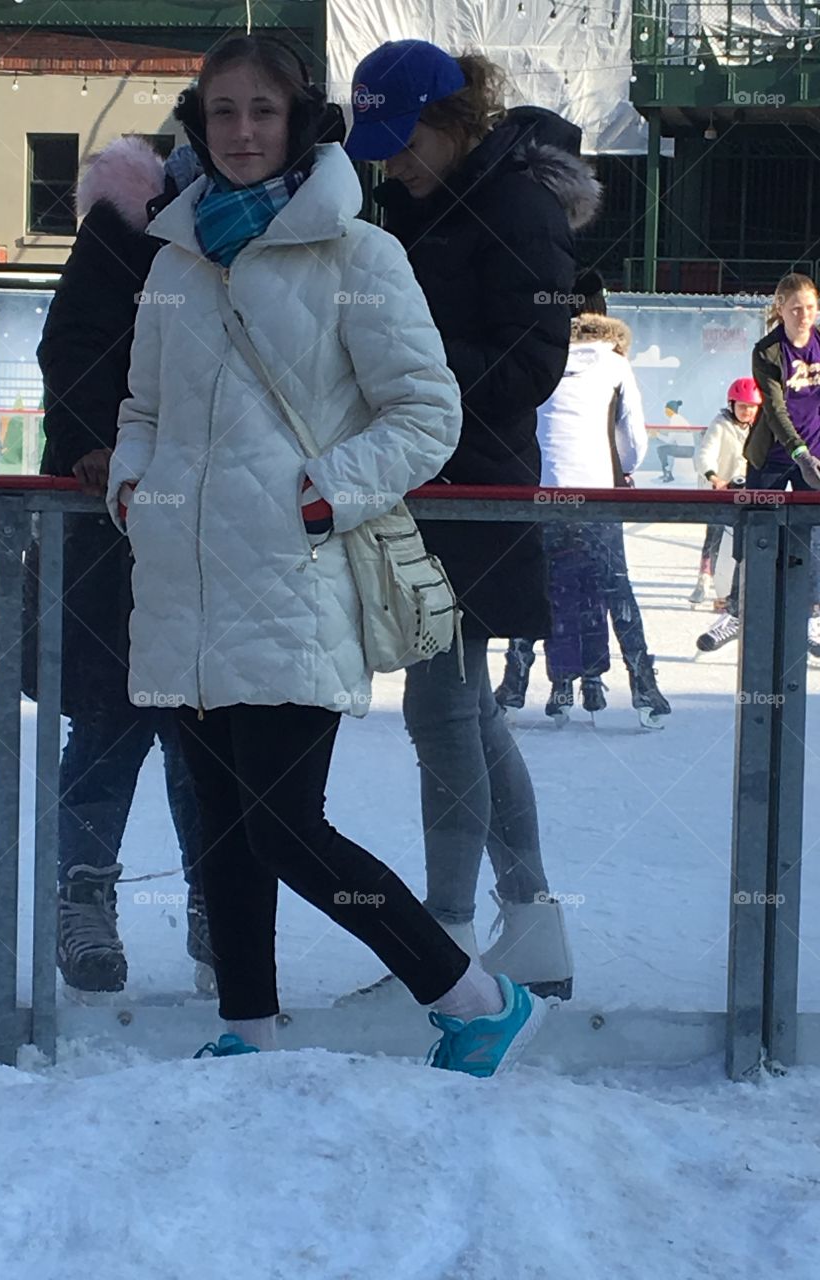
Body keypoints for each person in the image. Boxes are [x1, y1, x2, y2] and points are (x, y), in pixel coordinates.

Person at [108, 34, 547, 1074]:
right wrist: (134, 483)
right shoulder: (177, 259)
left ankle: (478, 995)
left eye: (263, 110)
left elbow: (425, 412)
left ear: (300, 120)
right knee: (223, 818)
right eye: (223, 112)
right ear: (199, 123)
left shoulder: (359, 255)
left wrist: (326, 493)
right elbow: (142, 405)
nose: (243, 130)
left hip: (296, 579)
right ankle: (250, 1027)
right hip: (186, 582)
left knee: (284, 826)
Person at [342, 41, 602, 997]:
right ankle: (530, 925)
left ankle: (444, 949)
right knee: (465, 707)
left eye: (401, 137)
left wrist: (405, 367)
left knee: (443, 705)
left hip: (475, 490)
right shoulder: (421, 204)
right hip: (424, 486)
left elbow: (533, 364)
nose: (388, 160)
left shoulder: (518, 205)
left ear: (453, 118)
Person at [32, 134, 214, 996]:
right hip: (114, 528)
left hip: (221, 530)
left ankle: (219, 897)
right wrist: (92, 448)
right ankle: (83, 899)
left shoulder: (262, 236)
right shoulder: (118, 233)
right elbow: (71, 352)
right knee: (110, 720)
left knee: (207, 728)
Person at [494, 273, 670, 727]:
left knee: (535, 584)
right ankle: (644, 687)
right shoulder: (614, 365)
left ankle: (514, 684)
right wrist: (621, 467)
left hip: (542, 493)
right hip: (595, 496)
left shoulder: (538, 358)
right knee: (615, 588)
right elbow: (633, 443)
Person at [697, 272, 820, 653]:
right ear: (780, 308)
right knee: (754, 529)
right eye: (796, 308)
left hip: (815, 455)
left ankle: (812, 616)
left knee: (812, 537)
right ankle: (736, 609)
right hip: (773, 455)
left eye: (811, 308)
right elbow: (777, 409)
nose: (804, 315)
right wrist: (799, 453)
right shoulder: (767, 351)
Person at [687, 378, 759, 606]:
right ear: (732, 405)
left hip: (748, 490)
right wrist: (714, 477)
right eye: (742, 406)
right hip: (721, 489)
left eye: (751, 407)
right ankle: (705, 579)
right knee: (715, 534)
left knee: (746, 537)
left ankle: (739, 587)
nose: (747, 411)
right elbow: (705, 453)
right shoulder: (720, 424)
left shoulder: (761, 427)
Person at [656, 399, 694, 483]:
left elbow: (669, 441)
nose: (665, 412)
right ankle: (667, 472)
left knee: (661, 450)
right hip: (688, 449)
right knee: (664, 449)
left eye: (666, 410)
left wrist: (657, 435)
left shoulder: (674, 419)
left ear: (669, 410)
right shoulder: (679, 419)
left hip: (685, 450)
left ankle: (667, 474)